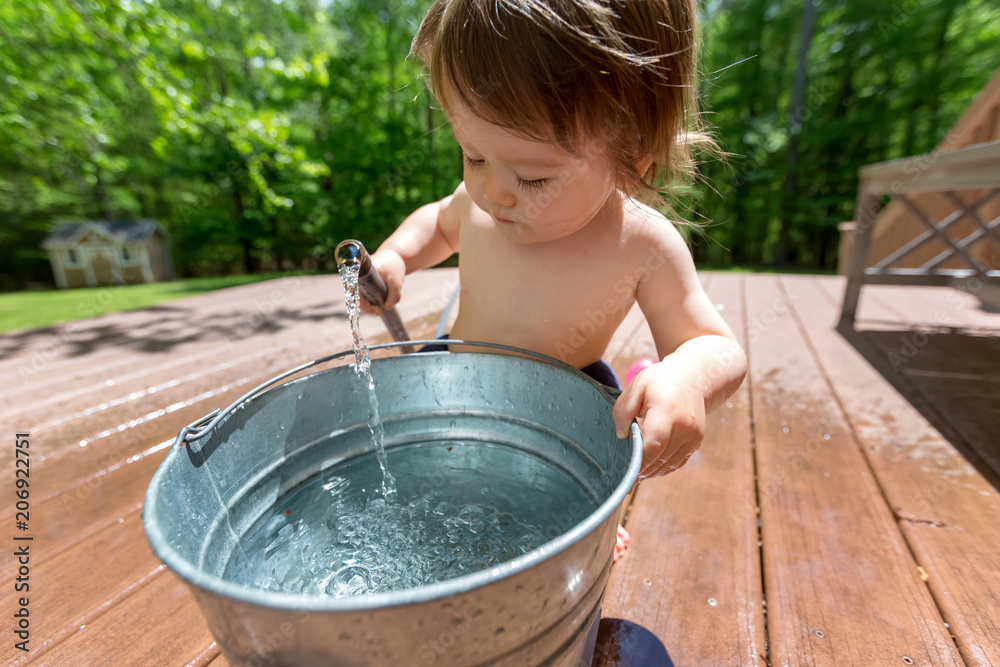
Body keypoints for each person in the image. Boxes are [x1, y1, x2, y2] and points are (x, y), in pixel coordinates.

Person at [360, 0, 747, 560]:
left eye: (534, 177)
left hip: (562, 407)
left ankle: (589, 518)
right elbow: (435, 223)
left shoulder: (640, 241)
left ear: (633, 159)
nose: (494, 191)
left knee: (576, 476)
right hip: (454, 372)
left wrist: (687, 375)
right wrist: (396, 259)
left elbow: (715, 346)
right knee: (429, 473)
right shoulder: (479, 205)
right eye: (471, 155)